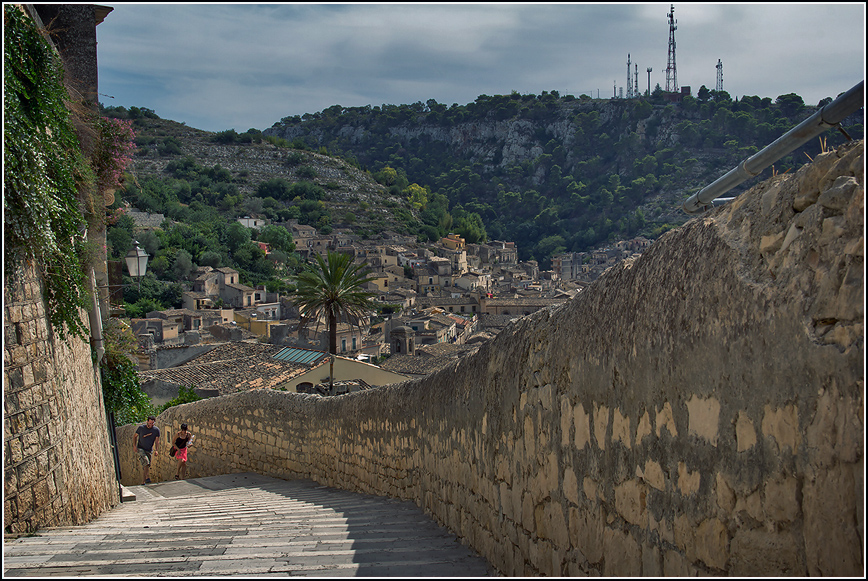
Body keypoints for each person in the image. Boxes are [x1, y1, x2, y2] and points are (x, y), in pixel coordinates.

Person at [133, 416, 160, 484]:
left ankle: (144, 480)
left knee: (147, 465)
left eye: (152, 423)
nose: (151, 425)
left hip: (149, 449)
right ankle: (146, 478)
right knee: (146, 462)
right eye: (150, 423)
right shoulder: (141, 428)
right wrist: (134, 446)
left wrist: (156, 450)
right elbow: (135, 436)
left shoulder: (156, 430)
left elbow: (157, 441)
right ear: (147, 421)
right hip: (141, 448)